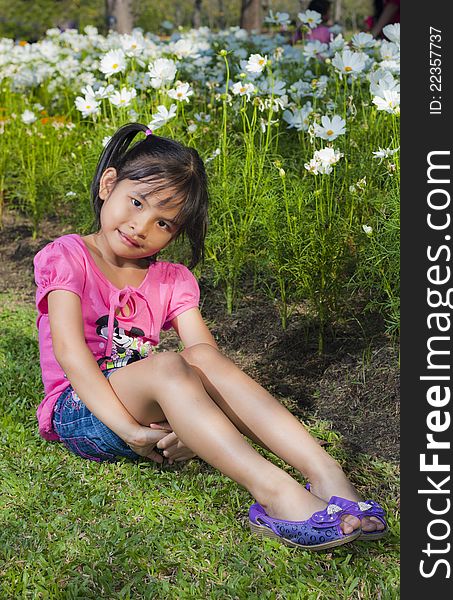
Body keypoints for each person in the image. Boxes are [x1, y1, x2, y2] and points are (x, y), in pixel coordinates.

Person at [34, 123, 387, 551]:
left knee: (199, 355)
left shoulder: (171, 279)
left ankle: (329, 476)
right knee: (167, 363)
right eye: (137, 202)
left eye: (163, 222)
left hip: (153, 415)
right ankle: (277, 495)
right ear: (109, 184)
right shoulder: (68, 256)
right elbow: (72, 356)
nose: (141, 225)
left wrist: (192, 429)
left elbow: (207, 362)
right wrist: (130, 430)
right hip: (82, 409)